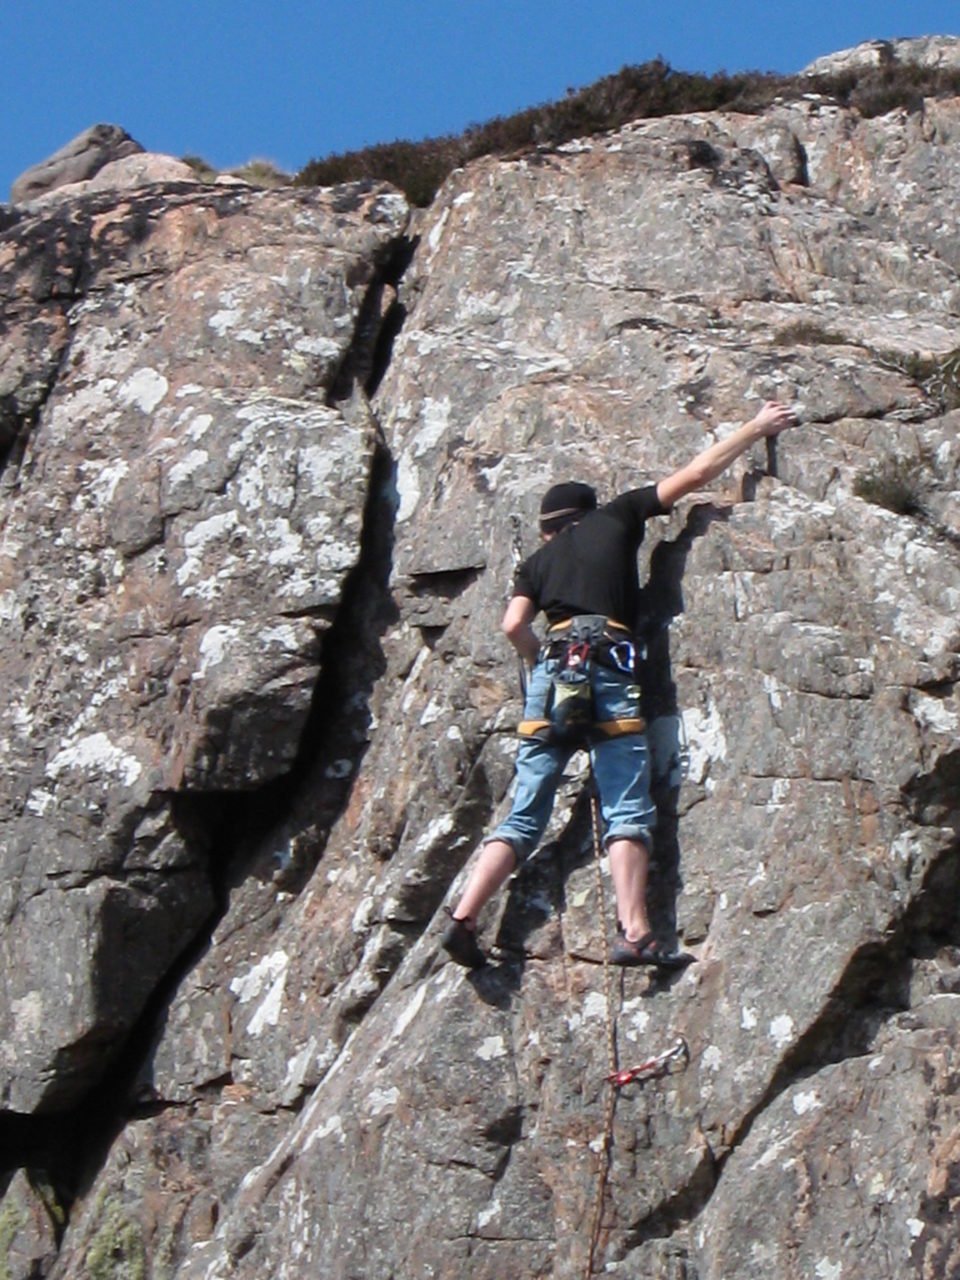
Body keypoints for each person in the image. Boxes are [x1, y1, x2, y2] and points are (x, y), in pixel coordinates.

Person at [441, 400, 798, 969]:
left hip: (552, 671)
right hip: (607, 664)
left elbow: (513, 626)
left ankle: (463, 919)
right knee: (625, 805)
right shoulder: (617, 516)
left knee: (524, 813)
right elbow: (697, 474)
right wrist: (757, 427)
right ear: (587, 512)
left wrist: (538, 664)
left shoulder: (536, 564)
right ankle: (635, 932)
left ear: (549, 527)